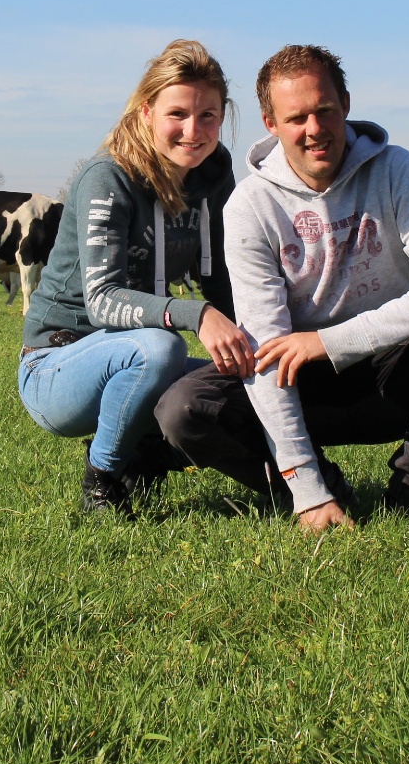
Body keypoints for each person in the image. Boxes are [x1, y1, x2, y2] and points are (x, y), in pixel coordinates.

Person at [155, 44, 409, 532]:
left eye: (324, 110)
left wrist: (331, 341)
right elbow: (263, 347)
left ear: (345, 104)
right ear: (270, 124)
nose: (314, 129)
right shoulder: (249, 207)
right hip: (298, 382)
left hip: (391, 370)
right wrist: (307, 488)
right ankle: (325, 491)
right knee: (183, 409)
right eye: (296, 117)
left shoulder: (397, 170)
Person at [20, 39, 254, 516]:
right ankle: (103, 481)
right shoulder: (109, 176)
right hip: (58, 364)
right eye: (177, 114)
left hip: (142, 356)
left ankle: (153, 454)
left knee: (245, 379)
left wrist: (258, 340)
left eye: (208, 115)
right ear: (146, 112)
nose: (194, 131)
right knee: (160, 347)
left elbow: (221, 277)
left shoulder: (213, 175)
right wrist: (199, 315)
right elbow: (103, 299)